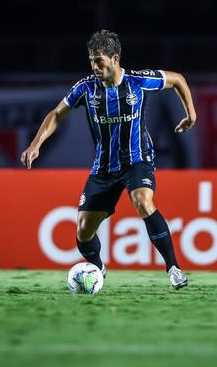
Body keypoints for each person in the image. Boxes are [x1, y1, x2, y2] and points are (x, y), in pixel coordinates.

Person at [21, 29, 196, 289]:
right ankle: (99, 267)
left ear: (115, 59)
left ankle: (174, 269)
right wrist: (36, 144)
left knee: (143, 201)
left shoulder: (138, 81)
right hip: (104, 168)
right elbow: (57, 114)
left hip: (138, 160)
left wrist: (191, 115)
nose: (94, 66)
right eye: (91, 60)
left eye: (99, 60)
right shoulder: (85, 88)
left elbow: (178, 79)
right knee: (83, 231)